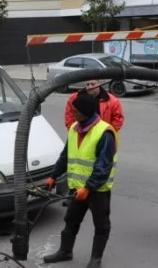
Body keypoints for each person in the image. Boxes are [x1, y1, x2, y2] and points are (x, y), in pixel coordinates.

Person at [43, 93, 118, 268]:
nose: (72, 112)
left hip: (97, 191)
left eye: (75, 111)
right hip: (77, 187)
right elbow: (66, 155)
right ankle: (65, 251)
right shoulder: (75, 128)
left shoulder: (104, 132)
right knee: (71, 220)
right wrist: (53, 176)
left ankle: (95, 259)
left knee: (101, 225)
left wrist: (89, 188)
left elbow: (103, 167)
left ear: (86, 112)